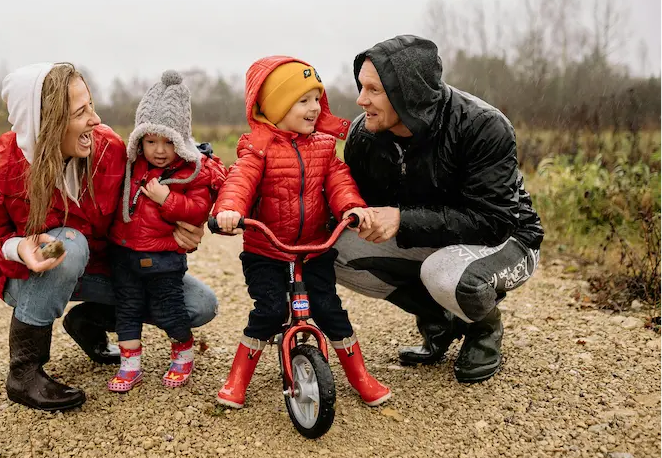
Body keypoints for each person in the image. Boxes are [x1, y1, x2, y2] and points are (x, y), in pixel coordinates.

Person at [0, 62, 219, 411]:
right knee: (69, 243)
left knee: (198, 306)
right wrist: (17, 248)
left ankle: (88, 320)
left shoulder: (109, 148)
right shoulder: (0, 172)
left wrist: (188, 222)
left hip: (101, 267)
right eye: (80, 112)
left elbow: (167, 178)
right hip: (30, 276)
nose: (95, 120)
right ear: (47, 123)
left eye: (91, 106)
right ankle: (25, 372)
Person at [334, 35, 544, 383]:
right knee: (331, 248)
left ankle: (483, 330)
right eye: (361, 87)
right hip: (433, 237)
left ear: (407, 93)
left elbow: (494, 221)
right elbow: (353, 201)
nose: (360, 100)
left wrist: (402, 219)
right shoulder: (364, 135)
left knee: (444, 273)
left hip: (510, 239)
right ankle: (440, 322)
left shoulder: (483, 125)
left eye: (373, 90)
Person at [212, 56, 391, 409]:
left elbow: (338, 179)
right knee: (270, 310)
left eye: (317, 99)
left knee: (329, 310)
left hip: (313, 249)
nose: (314, 108)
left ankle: (360, 376)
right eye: (303, 100)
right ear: (277, 107)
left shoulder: (323, 147)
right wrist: (229, 210)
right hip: (267, 251)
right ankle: (237, 380)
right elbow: (240, 180)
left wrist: (351, 206)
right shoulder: (257, 147)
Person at [107, 70, 226, 392]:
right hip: (124, 255)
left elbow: (198, 210)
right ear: (139, 141)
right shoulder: (132, 166)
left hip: (164, 258)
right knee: (127, 311)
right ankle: (129, 365)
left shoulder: (191, 173)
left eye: (168, 141)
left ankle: (183, 353)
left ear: (181, 141)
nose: (159, 150)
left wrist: (167, 199)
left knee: (169, 309)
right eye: (150, 141)